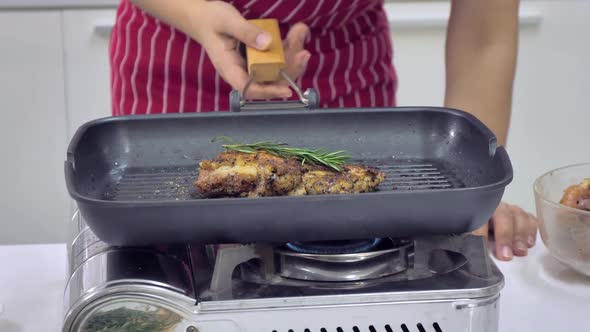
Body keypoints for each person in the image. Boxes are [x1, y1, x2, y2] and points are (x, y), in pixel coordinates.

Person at [110, 0, 537, 261]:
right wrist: (195, 14)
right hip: (182, 51)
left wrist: (470, 194)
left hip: (341, 63)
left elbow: (485, 33)